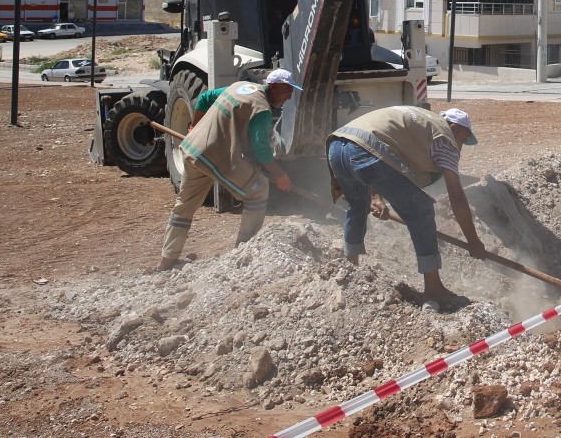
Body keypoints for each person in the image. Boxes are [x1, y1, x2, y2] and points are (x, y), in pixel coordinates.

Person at [327, 105, 487, 310]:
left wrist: (376, 197)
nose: (460, 146)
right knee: (422, 210)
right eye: (463, 139)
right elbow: (457, 197)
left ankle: (350, 271)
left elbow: (381, 146)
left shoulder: (421, 123)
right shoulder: (445, 139)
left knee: (357, 206)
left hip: (338, 144)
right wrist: (473, 241)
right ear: (454, 127)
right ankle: (433, 287)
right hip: (365, 150)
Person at [158, 69, 301, 271]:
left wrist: (195, 129)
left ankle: (167, 259)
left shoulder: (239, 87)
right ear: (274, 86)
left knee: (184, 205)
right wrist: (280, 175)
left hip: (193, 150)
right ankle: (243, 253)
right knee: (259, 190)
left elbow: (204, 98)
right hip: (216, 158)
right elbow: (261, 149)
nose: (289, 96)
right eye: (287, 90)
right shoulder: (261, 109)